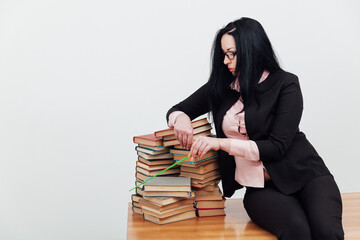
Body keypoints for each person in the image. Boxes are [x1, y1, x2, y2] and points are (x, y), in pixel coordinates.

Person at [166, 17, 344, 240]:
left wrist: (220, 143)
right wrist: (181, 118)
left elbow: (277, 147)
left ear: (251, 50)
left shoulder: (286, 84)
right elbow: (177, 109)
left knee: (327, 232)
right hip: (261, 189)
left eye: (231, 53)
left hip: (307, 175)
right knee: (297, 232)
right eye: (224, 54)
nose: (225, 61)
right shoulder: (221, 86)